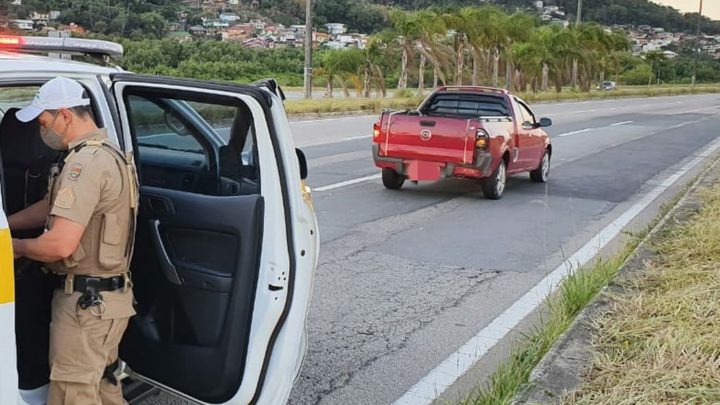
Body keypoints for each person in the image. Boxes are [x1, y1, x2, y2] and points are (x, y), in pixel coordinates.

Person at [9, 77, 138, 405]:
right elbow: (52, 208)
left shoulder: (85, 164)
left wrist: (14, 248)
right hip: (105, 301)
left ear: (64, 115)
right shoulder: (103, 154)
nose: (42, 130)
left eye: (43, 121)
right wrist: (5, 225)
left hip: (85, 305)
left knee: (72, 394)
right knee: (103, 387)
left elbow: (59, 245)